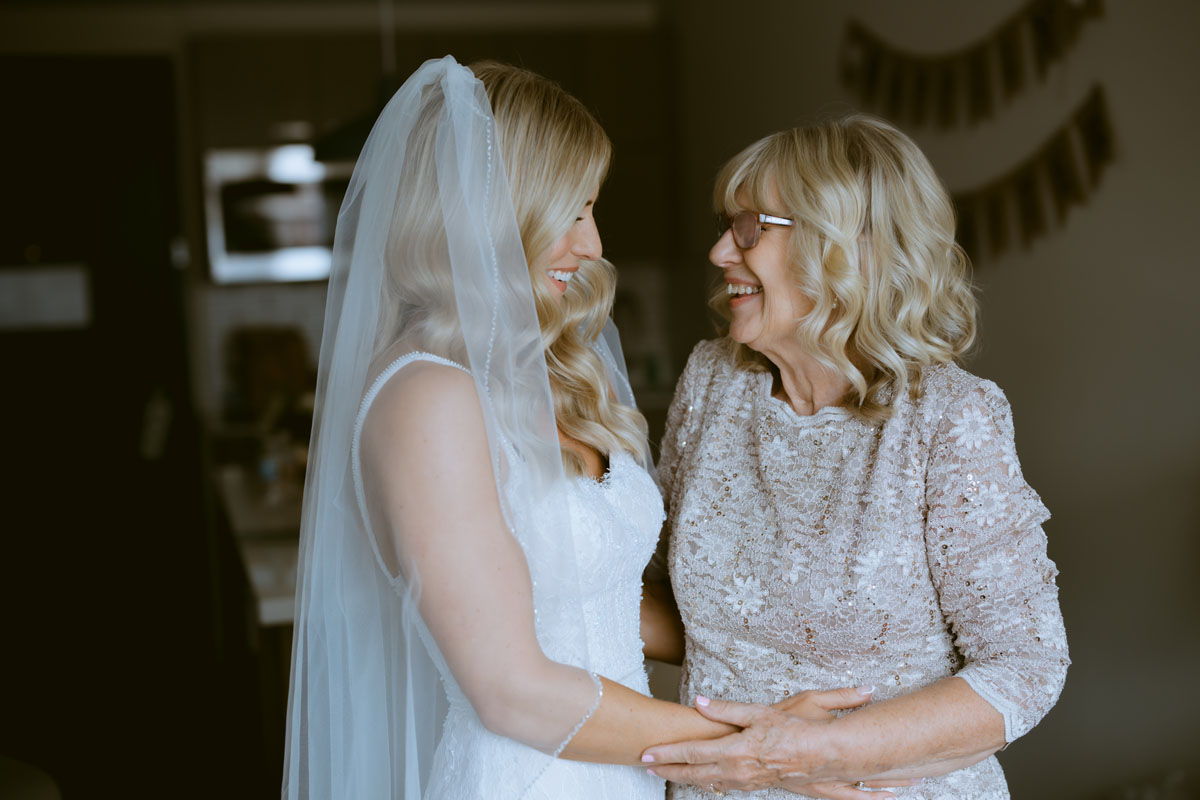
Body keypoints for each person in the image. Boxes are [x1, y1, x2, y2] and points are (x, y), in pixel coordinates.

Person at [281, 56, 894, 800]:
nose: (593, 244)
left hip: (627, 773)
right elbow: (511, 689)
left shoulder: (549, 375)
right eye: (571, 210)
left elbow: (602, 599)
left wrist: (808, 634)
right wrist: (761, 748)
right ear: (492, 209)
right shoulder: (426, 398)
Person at [640, 116, 1070, 798]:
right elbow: (661, 594)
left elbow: (1026, 665)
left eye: (751, 226)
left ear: (846, 245)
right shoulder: (713, 381)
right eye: (726, 224)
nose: (723, 250)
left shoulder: (951, 417)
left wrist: (817, 753)